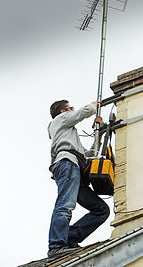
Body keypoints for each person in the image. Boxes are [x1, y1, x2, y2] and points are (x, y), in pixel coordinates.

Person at [47, 99, 110, 258]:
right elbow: (82, 113)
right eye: (70, 108)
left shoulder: (69, 136)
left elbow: (87, 156)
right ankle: (56, 245)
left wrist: (99, 136)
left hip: (75, 167)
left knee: (101, 210)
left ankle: (70, 237)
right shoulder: (58, 121)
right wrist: (93, 106)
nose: (72, 110)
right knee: (65, 205)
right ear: (63, 112)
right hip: (67, 164)